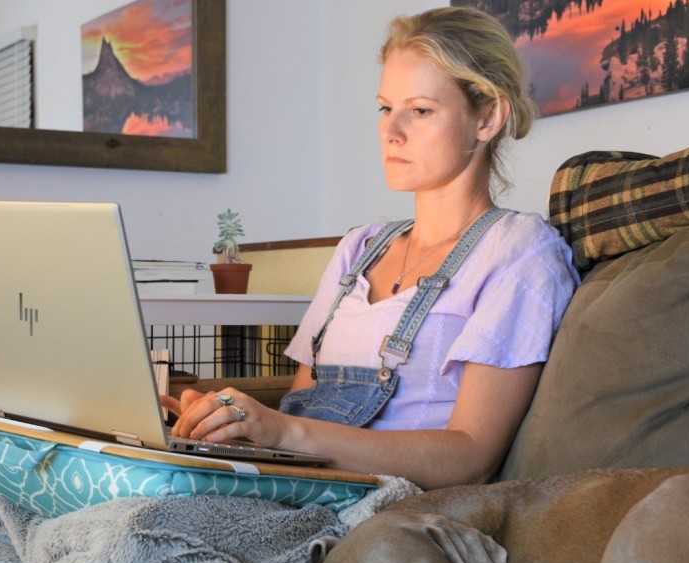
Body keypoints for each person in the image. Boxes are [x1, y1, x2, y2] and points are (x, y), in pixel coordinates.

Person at [164, 7, 579, 490]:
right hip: (300, 489)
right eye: (386, 108)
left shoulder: (519, 252)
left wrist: (281, 430)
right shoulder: (358, 248)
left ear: (488, 117)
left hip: (399, 509)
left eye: (420, 110)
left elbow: (472, 457)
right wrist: (233, 429)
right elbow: (306, 405)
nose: (391, 130)